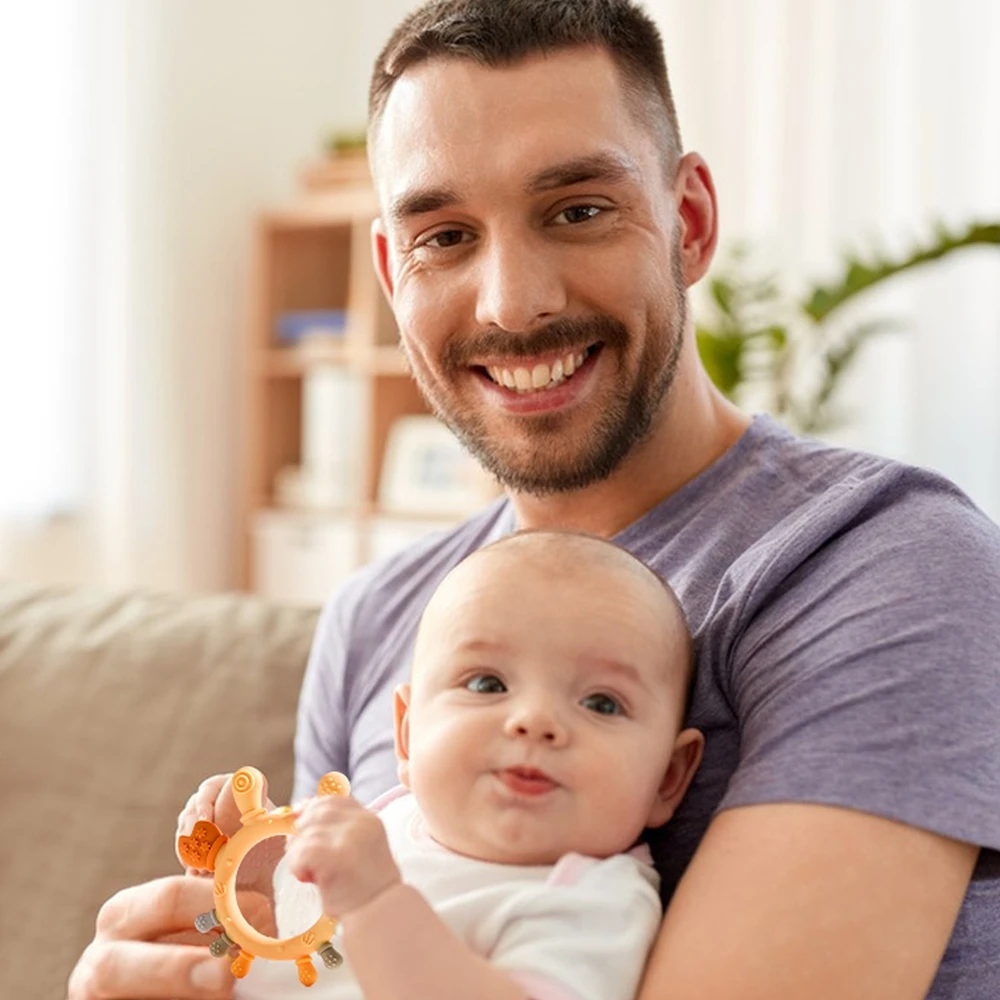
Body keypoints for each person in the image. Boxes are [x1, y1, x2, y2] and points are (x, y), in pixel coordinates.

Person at [69, 1, 1000, 998]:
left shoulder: (884, 570)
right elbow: (317, 964)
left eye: (578, 210)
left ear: (687, 223)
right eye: (444, 235)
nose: (513, 303)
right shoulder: (374, 621)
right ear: (392, 272)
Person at [180, 530, 702, 1000]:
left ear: (668, 778)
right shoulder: (386, 822)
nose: (535, 721)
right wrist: (252, 862)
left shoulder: (594, 901)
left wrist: (378, 904)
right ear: (406, 737)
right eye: (487, 684)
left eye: (602, 703)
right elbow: (289, 919)